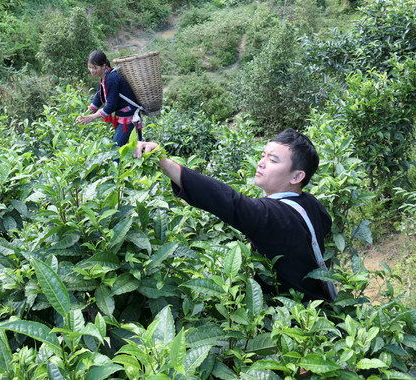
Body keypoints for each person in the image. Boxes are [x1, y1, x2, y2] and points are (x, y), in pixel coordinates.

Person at [134, 128, 336, 302]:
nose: (261, 163)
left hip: (289, 324)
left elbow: (230, 202)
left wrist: (166, 164)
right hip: (316, 308)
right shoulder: (310, 203)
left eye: (272, 160)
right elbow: (325, 224)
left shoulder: (274, 215)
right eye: (263, 155)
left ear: (297, 176)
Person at [75, 50, 143, 147]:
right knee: (131, 150)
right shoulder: (105, 76)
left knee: (115, 151)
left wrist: (92, 117)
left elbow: (111, 105)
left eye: (95, 68)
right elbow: (99, 97)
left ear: (103, 66)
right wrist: (85, 115)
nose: (92, 71)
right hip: (123, 118)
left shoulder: (111, 79)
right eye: (89, 67)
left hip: (128, 119)